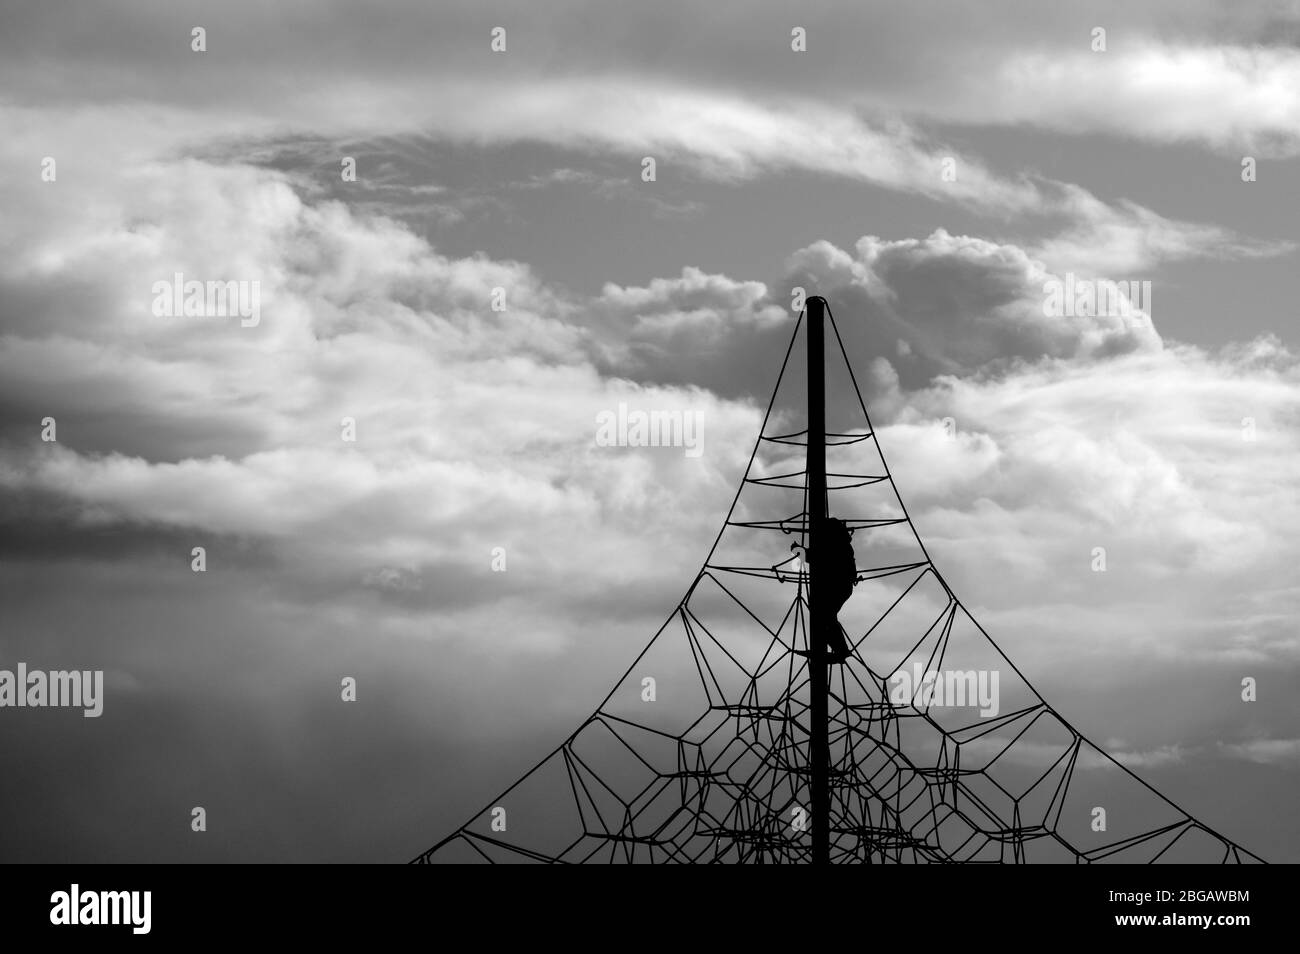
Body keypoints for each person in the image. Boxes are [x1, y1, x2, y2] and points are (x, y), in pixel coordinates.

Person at [808, 517, 856, 663]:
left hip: (838, 586)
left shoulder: (835, 546)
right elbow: (818, 557)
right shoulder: (842, 545)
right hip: (841, 586)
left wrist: (799, 551)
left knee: (823, 615)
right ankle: (839, 650)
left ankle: (840, 650)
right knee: (826, 615)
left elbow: (817, 558)